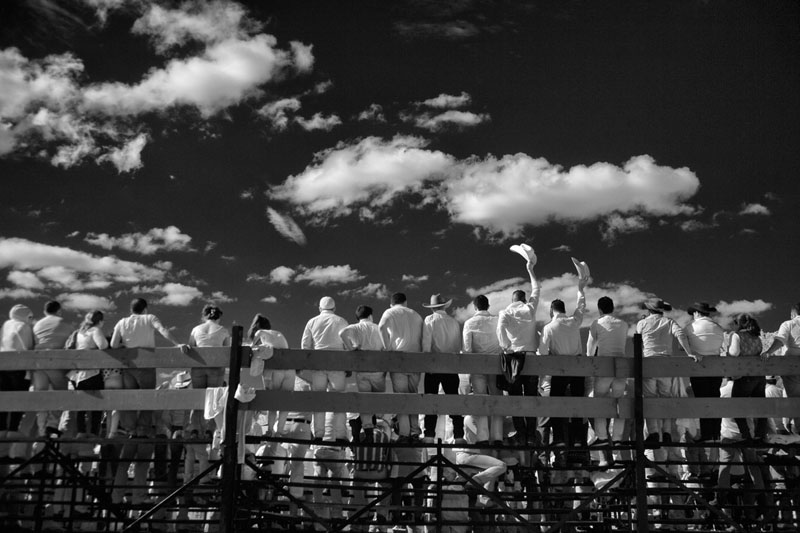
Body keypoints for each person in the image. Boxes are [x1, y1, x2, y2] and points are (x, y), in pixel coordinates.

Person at [109, 297, 187, 505]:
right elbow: (162, 330)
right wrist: (177, 343)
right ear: (145, 308)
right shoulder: (150, 318)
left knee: (131, 400)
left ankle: (116, 496)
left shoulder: (121, 323)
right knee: (147, 399)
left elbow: (114, 344)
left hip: (128, 365)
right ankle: (138, 497)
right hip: (146, 363)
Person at [539, 272, 588, 456]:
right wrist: (580, 289)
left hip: (559, 369)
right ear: (563, 309)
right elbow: (581, 306)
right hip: (578, 368)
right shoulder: (574, 322)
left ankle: (559, 439)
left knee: (558, 405)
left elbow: (543, 352)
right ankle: (577, 440)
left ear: (552, 311)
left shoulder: (549, 328)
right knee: (577, 405)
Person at [636, 298, 696, 444]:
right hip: (666, 363)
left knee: (650, 400)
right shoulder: (669, 322)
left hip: (649, 362)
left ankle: (654, 432)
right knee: (665, 399)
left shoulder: (642, 323)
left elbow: (637, 341)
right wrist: (689, 352)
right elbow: (680, 334)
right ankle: (667, 432)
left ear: (648, 310)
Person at [496, 258, 541, 446]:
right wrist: (531, 270)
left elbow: (500, 330)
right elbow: (537, 289)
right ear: (523, 299)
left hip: (514, 359)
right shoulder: (529, 309)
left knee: (515, 399)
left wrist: (506, 345)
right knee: (530, 398)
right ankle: (531, 435)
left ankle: (521, 434)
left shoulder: (505, 312)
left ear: (512, 300)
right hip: (531, 357)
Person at [586, 296, 628, 462]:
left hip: (604, 366)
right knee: (620, 402)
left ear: (600, 309)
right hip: (621, 366)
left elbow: (590, 347)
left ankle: (602, 437)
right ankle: (617, 439)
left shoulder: (597, 323)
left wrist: (591, 364)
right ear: (612, 308)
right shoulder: (623, 324)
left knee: (599, 401)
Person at [301, 296, 348, 442]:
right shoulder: (342, 321)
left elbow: (305, 345)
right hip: (338, 364)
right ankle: (340, 435)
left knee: (319, 400)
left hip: (319, 364)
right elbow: (347, 344)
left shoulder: (312, 321)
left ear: (320, 308)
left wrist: (310, 363)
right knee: (339, 401)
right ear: (334, 308)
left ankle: (319, 434)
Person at [378, 292, 423, 441]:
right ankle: (415, 431)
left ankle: (404, 433)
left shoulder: (390, 312)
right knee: (413, 395)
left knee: (401, 397)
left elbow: (381, 327)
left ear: (391, 303)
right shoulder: (416, 315)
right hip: (415, 359)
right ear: (406, 302)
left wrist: (388, 348)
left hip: (398, 358)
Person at [421, 294, 463, 443]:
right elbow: (458, 346)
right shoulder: (454, 322)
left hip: (434, 364)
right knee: (453, 400)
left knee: (431, 400)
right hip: (451, 365)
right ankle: (459, 435)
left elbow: (426, 346)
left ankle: (429, 435)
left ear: (432, 308)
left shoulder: (429, 321)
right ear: (445, 306)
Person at [340, 305, 385, 443]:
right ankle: (378, 424)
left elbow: (341, 333)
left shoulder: (355, 328)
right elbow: (385, 346)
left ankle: (368, 431)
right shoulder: (378, 327)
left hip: (362, 370)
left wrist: (351, 348)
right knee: (378, 400)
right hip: (377, 369)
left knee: (365, 402)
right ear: (370, 315)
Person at [462, 295, 503, 444]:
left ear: (475, 307)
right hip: (495, 365)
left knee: (480, 399)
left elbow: (467, 349)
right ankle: (498, 436)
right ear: (488, 306)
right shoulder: (497, 320)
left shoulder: (469, 323)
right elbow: (503, 342)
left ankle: (482, 436)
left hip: (477, 365)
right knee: (496, 398)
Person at [684, 302, 725, 443]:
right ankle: (716, 433)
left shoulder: (690, 327)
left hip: (699, 366)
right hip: (716, 366)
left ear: (696, 313)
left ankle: (707, 434)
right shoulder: (718, 328)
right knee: (715, 397)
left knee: (702, 399)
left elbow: (680, 346)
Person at [32, 300, 73, 437]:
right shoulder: (66, 325)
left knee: (41, 397)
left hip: (38, 364)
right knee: (61, 393)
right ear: (59, 311)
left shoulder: (37, 325)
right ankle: (52, 425)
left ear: (45, 311)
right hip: (56, 364)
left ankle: (41, 430)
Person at [249, 314, 293, 437]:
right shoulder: (278, 333)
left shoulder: (261, 332)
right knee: (286, 401)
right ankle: (279, 430)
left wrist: (254, 346)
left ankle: (269, 431)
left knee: (273, 401)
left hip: (277, 370)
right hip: (290, 370)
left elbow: (254, 344)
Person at [66, 310, 109, 437]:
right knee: (96, 405)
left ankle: (81, 431)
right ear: (100, 321)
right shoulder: (95, 330)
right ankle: (93, 432)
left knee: (81, 406)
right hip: (91, 372)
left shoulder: (80, 332)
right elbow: (103, 346)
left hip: (76, 374)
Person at [727, 314, 768, 442]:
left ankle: (745, 434)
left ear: (738, 323)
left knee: (736, 405)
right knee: (761, 406)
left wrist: (727, 352)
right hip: (759, 376)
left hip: (744, 376)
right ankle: (760, 434)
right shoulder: (756, 336)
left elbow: (734, 353)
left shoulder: (737, 335)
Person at [762, 302, 800, 433]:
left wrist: (768, 352)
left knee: (794, 399)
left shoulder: (789, 324)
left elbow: (780, 340)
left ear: (793, 313)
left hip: (792, 367)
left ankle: (796, 430)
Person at [0, 304, 35, 433]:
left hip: (3, 368)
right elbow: (29, 346)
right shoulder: (24, 326)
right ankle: (12, 432)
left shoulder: (5, 326)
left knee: (3, 403)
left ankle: (2, 434)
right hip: (19, 369)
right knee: (18, 403)